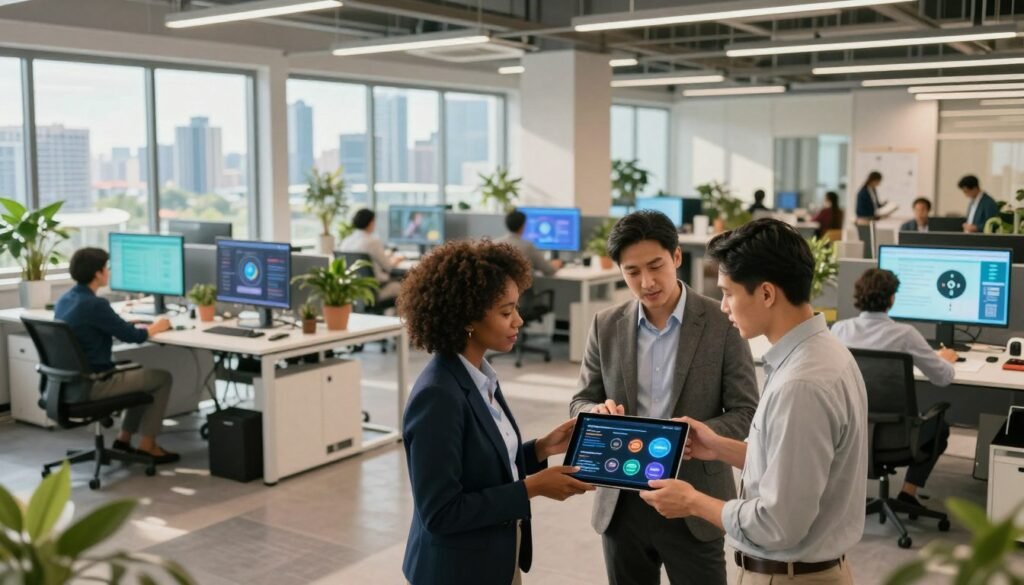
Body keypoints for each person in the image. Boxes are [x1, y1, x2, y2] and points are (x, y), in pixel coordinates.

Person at [637, 218, 866, 585]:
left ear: (766, 294)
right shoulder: (822, 353)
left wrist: (693, 501)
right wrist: (721, 448)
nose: (723, 306)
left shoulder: (801, 384)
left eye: (728, 292)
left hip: (790, 577)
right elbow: (798, 469)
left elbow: (778, 524)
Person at [569, 210, 758, 585]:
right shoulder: (605, 324)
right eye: (632, 272)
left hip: (695, 499)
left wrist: (696, 435)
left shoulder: (722, 323)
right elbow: (580, 401)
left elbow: (745, 410)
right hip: (622, 503)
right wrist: (598, 411)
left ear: (676, 257)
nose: (647, 281)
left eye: (656, 266)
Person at [399, 240, 594, 585]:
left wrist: (540, 449)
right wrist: (530, 488)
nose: (518, 320)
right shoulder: (437, 396)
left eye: (516, 308)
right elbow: (441, 513)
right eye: (506, 312)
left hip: (495, 558)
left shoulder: (479, 377)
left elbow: (480, 465)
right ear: (468, 318)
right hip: (456, 571)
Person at [831, 268, 955, 505]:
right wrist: (944, 359)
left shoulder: (840, 330)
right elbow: (943, 378)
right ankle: (908, 493)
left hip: (849, 430)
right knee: (941, 427)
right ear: (891, 298)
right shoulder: (905, 334)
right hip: (898, 437)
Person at [54, 247, 179, 463]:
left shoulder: (66, 299)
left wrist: (120, 323)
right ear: (97, 273)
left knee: (139, 375)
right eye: (107, 268)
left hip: (68, 384)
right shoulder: (95, 304)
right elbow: (133, 337)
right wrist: (157, 326)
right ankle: (147, 445)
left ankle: (123, 439)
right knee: (161, 378)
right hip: (94, 384)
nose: (109, 272)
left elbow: (98, 328)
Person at [339, 208, 403, 302]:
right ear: (371, 222)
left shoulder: (346, 241)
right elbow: (388, 267)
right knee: (405, 288)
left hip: (353, 292)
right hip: (375, 291)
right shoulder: (372, 241)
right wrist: (398, 259)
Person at [497, 209, 562, 276]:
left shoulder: (496, 243)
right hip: (522, 285)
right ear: (523, 226)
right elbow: (548, 270)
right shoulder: (527, 246)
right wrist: (555, 265)